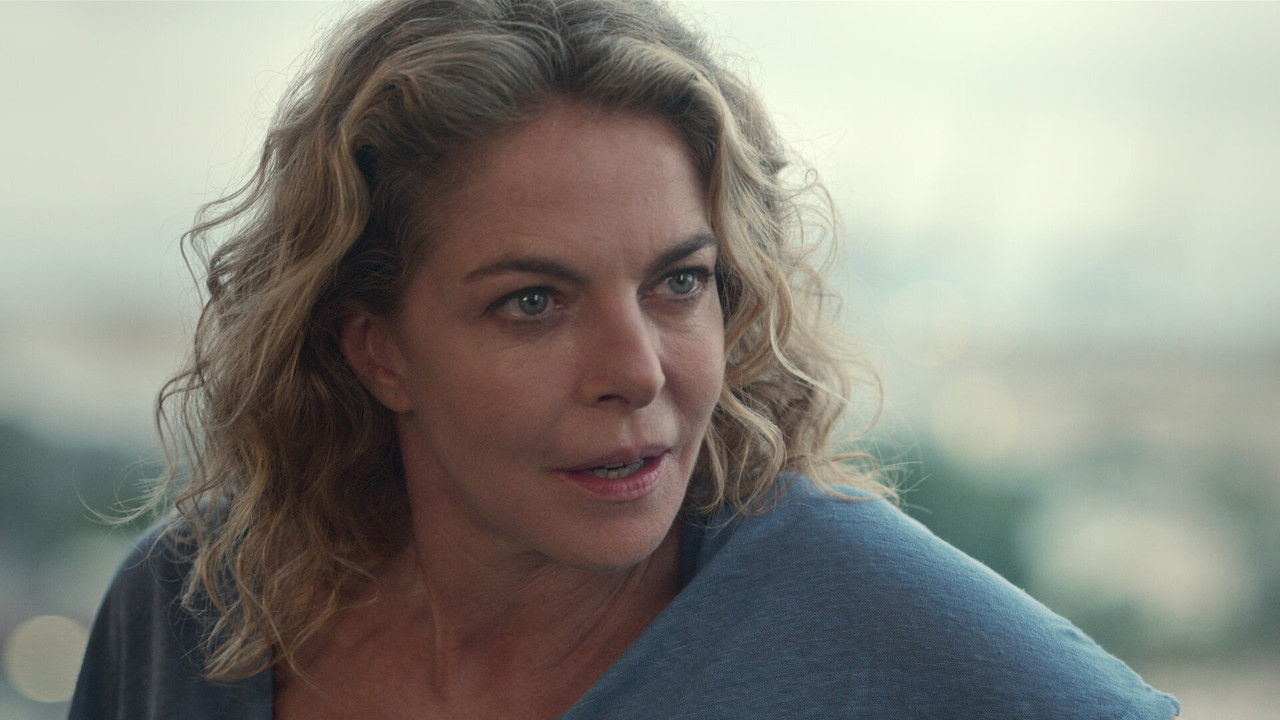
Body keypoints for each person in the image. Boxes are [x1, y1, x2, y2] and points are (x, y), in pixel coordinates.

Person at [70, 1, 1181, 718]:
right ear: (378, 351)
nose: (637, 371)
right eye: (533, 303)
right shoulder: (191, 617)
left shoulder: (873, 626)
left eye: (677, 283)